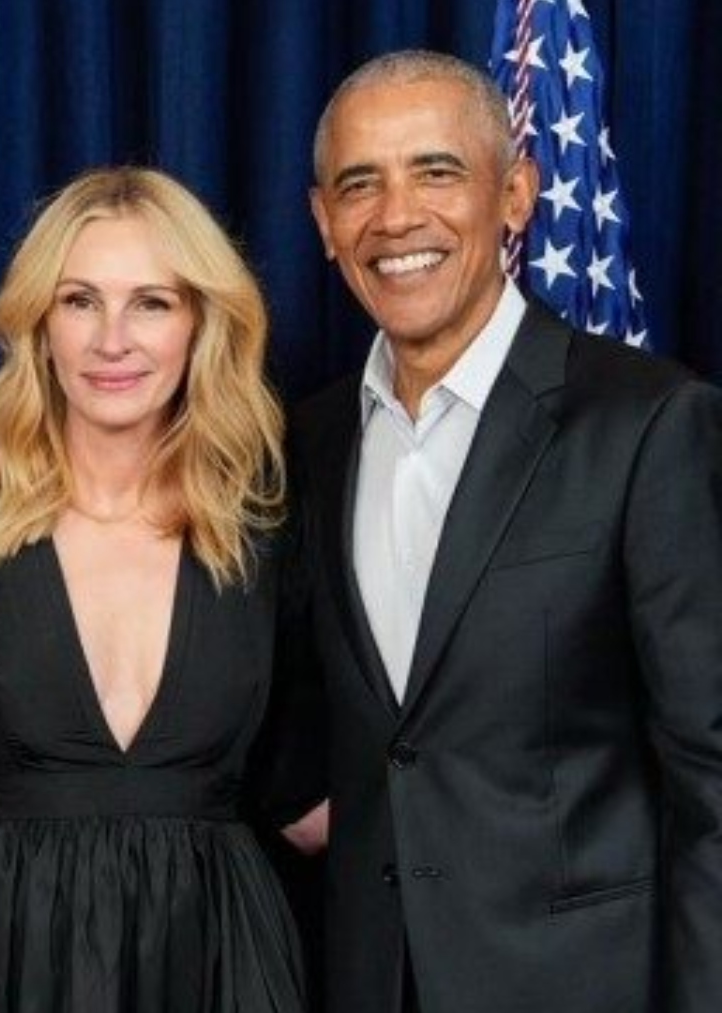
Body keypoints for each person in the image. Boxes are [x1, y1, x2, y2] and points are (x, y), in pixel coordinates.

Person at [294, 48, 722, 1013]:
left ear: (516, 194)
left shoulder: (649, 423)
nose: (396, 216)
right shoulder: (306, 442)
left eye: (437, 171)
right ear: (325, 223)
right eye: (360, 184)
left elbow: (713, 773)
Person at [0, 166, 304, 1011]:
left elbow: (335, 770)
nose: (113, 339)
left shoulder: (270, 531)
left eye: (152, 301)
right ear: (39, 326)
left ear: (200, 324)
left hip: (220, 959)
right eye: (80, 301)